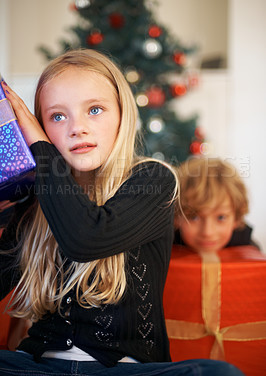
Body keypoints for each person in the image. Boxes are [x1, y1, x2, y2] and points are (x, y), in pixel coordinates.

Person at [0, 49, 244, 375]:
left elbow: (87, 238)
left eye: (95, 110)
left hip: (126, 369)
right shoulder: (37, 199)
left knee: (219, 373)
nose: (77, 128)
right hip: (38, 366)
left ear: (122, 115)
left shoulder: (153, 180)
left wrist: (41, 151)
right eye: (57, 117)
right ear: (42, 125)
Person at [174, 156, 259, 253]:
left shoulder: (251, 250)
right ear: (176, 217)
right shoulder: (163, 246)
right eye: (194, 217)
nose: (207, 232)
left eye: (221, 217)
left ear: (236, 218)